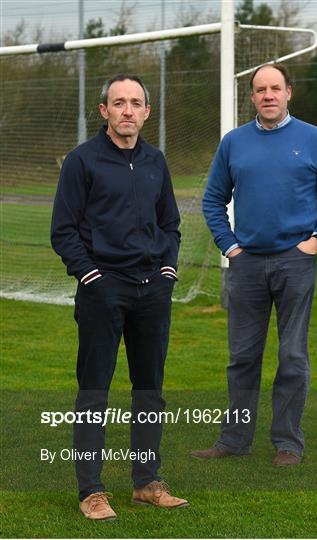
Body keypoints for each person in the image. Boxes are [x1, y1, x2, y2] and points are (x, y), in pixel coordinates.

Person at [191, 63, 317, 466]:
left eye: (275, 88)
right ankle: (234, 440)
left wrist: (316, 241)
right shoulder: (234, 143)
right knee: (242, 357)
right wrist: (229, 246)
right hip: (245, 265)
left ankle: (287, 443)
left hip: (295, 262)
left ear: (288, 93)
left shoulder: (314, 139)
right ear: (252, 97)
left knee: (293, 356)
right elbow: (212, 200)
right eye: (260, 89)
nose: (268, 95)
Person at [51, 74, 188, 520]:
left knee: (149, 390)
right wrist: (92, 276)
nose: (127, 110)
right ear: (103, 111)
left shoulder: (156, 161)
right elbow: (64, 231)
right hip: (102, 292)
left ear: (147, 111)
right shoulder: (82, 161)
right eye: (118, 102)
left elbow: (170, 224)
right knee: (95, 391)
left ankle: (146, 482)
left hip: (153, 291)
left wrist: (166, 270)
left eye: (135, 103)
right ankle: (91, 490)